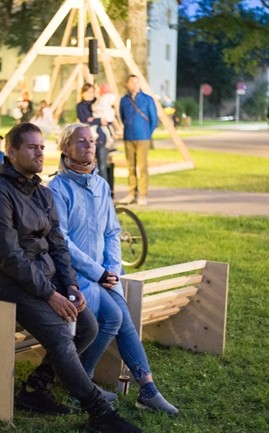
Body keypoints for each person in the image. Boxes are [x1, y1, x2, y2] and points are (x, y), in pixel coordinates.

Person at [0, 122, 144, 433]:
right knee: (60, 336)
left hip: (43, 282)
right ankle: (99, 412)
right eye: (31, 147)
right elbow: (9, 258)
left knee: (89, 326)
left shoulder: (40, 192)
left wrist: (71, 287)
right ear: (11, 152)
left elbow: (58, 246)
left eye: (41, 147)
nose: (39, 152)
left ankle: (36, 388)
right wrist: (52, 295)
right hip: (6, 285)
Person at [49, 124, 179, 415]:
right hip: (74, 278)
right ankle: (83, 381)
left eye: (92, 141)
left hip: (103, 275)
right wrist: (97, 272)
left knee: (122, 317)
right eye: (81, 141)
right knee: (115, 317)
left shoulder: (100, 184)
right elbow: (62, 241)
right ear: (65, 148)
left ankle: (146, 388)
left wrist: (113, 269)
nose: (89, 145)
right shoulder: (57, 188)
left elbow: (112, 231)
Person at [119, 75, 158, 206]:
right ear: (127, 84)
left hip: (143, 137)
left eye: (137, 82)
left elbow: (154, 119)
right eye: (132, 83)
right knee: (130, 167)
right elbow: (122, 117)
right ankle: (131, 194)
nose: (135, 85)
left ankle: (143, 195)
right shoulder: (124, 100)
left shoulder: (147, 99)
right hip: (128, 137)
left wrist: (147, 133)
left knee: (142, 167)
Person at [76, 83, 111, 189]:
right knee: (88, 165)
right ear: (83, 93)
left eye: (92, 92)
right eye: (88, 92)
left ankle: (104, 190)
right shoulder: (80, 106)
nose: (91, 94)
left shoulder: (99, 103)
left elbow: (107, 119)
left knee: (102, 166)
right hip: (88, 140)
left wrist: (95, 121)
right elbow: (84, 120)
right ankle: (90, 188)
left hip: (101, 138)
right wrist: (99, 120)